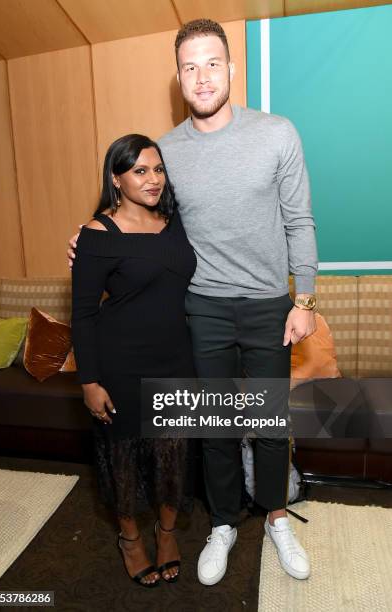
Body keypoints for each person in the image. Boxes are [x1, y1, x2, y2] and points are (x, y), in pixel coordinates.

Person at [68, 19, 318, 585]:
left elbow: (299, 219)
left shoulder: (277, 132)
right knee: (216, 428)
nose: (201, 77)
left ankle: (277, 516)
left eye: (211, 64)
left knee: (270, 424)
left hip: (266, 305)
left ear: (231, 69)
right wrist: (86, 239)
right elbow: (139, 213)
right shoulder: (166, 152)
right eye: (189, 67)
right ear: (178, 77)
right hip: (200, 309)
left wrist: (303, 298)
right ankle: (224, 523)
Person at [71, 134, 197, 587]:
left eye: (158, 169)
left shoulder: (174, 222)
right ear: (117, 179)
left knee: (171, 455)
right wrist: (89, 381)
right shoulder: (96, 234)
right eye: (140, 171)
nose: (153, 179)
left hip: (177, 358)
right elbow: (83, 315)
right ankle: (129, 539)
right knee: (122, 458)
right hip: (120, 362)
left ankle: (166, 534)